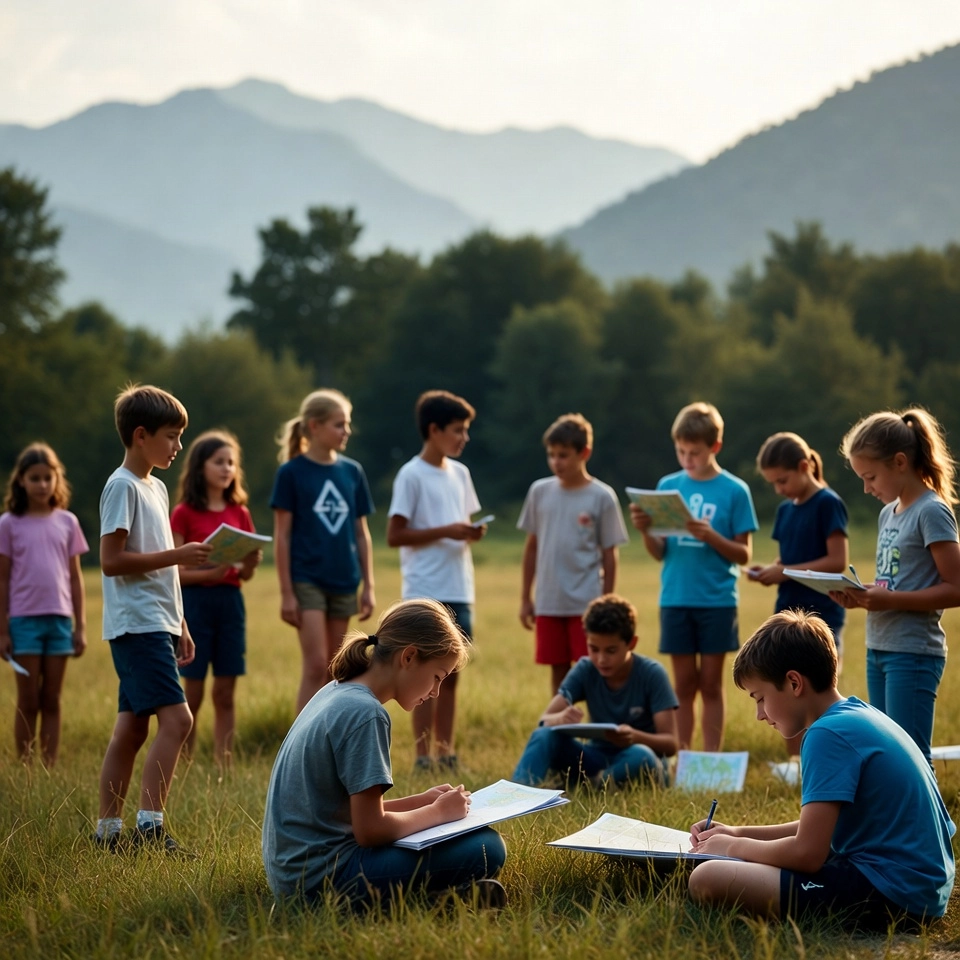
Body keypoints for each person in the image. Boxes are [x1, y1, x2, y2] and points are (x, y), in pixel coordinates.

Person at [688, 610, 955, 930]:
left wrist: (731, 848)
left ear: (793, 682)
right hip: (920, 888)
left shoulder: (826, 735)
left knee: (707, 877)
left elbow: (807, 853)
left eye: (759, 698)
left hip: (894, 894)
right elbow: (817, 830)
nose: (760, 714)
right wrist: (737, 832)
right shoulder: (855, 714)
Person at [262, 598, 507, 910]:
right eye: (437, 677)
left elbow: (343, 813)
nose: (435, 693)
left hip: (291, 876)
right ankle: (429, 905)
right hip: (321, 883)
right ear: (409, 657)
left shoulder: (337, 689)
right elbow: (370, 831)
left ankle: (437, 901)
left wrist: (423, 801)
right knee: (486, 847)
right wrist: (439, 814)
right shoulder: (366, 713)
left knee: (475, 842)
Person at [95, 384, 211, 854]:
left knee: (132, 728)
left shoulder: (157, 487)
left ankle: (107, 834)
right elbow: (111, 560)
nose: (178, 446)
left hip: (157, 624)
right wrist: (178, 554)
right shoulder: (121, 485)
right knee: (179, 721)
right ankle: (150, 828)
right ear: (140, 435)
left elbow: (162, 571)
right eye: (171, 436)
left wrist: (179, 625)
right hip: (135, 624)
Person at [834, 408, 960, 763]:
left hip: (914, 651)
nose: (866, 487)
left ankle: (936, 822)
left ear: (900, 462)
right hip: (879, 646)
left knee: (912, 757)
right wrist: (861, 595)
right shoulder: (888, 513)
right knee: (890, 753)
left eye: (870, 476)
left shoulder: (931, 511)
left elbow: (956, 586)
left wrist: (888, 601)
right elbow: (896, 581)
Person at [630, 402, 758, 751]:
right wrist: (644, 531)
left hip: (716, 601)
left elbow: (744, 554)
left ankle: (710, 758)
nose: (687, 458)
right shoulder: (668, 485)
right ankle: (684, 754)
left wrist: (711, 537)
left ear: (714, 447)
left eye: (695, 452)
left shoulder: (734, 490)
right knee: (682, 685)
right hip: (675, 597)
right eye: (681, 451)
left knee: (712, 684)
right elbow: (660, 553)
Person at [387, 389, 487, 771]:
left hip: (459, 586)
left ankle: (446, 751)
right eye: (458, 430)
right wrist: (447, 530)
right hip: (425, 590)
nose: (464, 438)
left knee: (451, 675)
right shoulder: (411, 474)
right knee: (422, 678)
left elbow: (460, 526)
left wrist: (467, 533)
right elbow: (395, 534)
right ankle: (422, 755)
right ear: (434, 429)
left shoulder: (461, 473)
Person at [271, 389, 375, 714]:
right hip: (307, 581)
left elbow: (361, 533)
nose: (346, 431)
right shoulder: (291, 473)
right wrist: (287, 593)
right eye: (339, 424)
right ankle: (299, 745)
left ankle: (328, 740)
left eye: (347, 424)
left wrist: (369, 585)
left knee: (336, 670)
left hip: (345, 580)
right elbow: (282, 536)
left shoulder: (352, 472)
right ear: (314, 426)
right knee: (316, 665)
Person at [512, 593, 678, 787]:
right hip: (595, 757)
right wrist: (560, 719)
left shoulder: (652, 674)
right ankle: (517, 793)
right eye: (593, 649)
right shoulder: (586, 668)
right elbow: (544, 721)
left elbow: (671, 744)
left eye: (611, 651)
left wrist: (634, 737)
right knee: (544, 735)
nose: (601, 659)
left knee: (641, 755)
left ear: (631, 643)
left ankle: (591, 785)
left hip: (638, 759)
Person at [749, 432, 849, 754]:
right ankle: (798, 763)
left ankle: (821, 755)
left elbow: (838, 561)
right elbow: (788, 559)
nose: (779, 489)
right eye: (773, 484)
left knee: (813, 692)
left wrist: (786, 571)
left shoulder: (828, 503)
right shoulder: (785, 510)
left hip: (821, 614)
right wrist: (771, 570)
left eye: (783, 480)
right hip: (787, 612)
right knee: (783, 689)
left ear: (804, 465)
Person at [518, 413, 629, 694]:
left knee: (594, 670)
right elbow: (531, 547)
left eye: (564, 455)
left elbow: (609, 553)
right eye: (552, 455)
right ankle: (562, 731)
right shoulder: (539, 492)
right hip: (549, 601)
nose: (557, 462)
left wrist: (606, 601)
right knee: (559, 673)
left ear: (585, 453)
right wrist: (525, 598)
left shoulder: (601, 496)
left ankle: (597, 731)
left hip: (586, 602)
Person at [171, 429, 262, 767]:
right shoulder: (183, 512)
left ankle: (224, 766)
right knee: (191, 693)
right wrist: (209, 573)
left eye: (231, 463)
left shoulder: (240, 512)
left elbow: (245, 574)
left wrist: (250, 564)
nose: (226, 469)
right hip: (193, 606)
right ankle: (182, 762)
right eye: (218, 462)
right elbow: (173, 571)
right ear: (199, 467)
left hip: (230, 604)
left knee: (225, 692)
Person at [0, 443, 88, 766]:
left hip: (60, 622)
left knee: (52, 698)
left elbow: (75, 578)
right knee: (28, 699)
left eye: (46, 478)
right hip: (23, 623)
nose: (41, 484)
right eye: (34, 478)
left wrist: (81, 626)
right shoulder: (8, 524)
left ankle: (48, 766)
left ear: (56, 479)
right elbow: (2, 580)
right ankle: (25, 766)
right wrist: (2, 630)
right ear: (21, 481)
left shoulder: (68, 522)